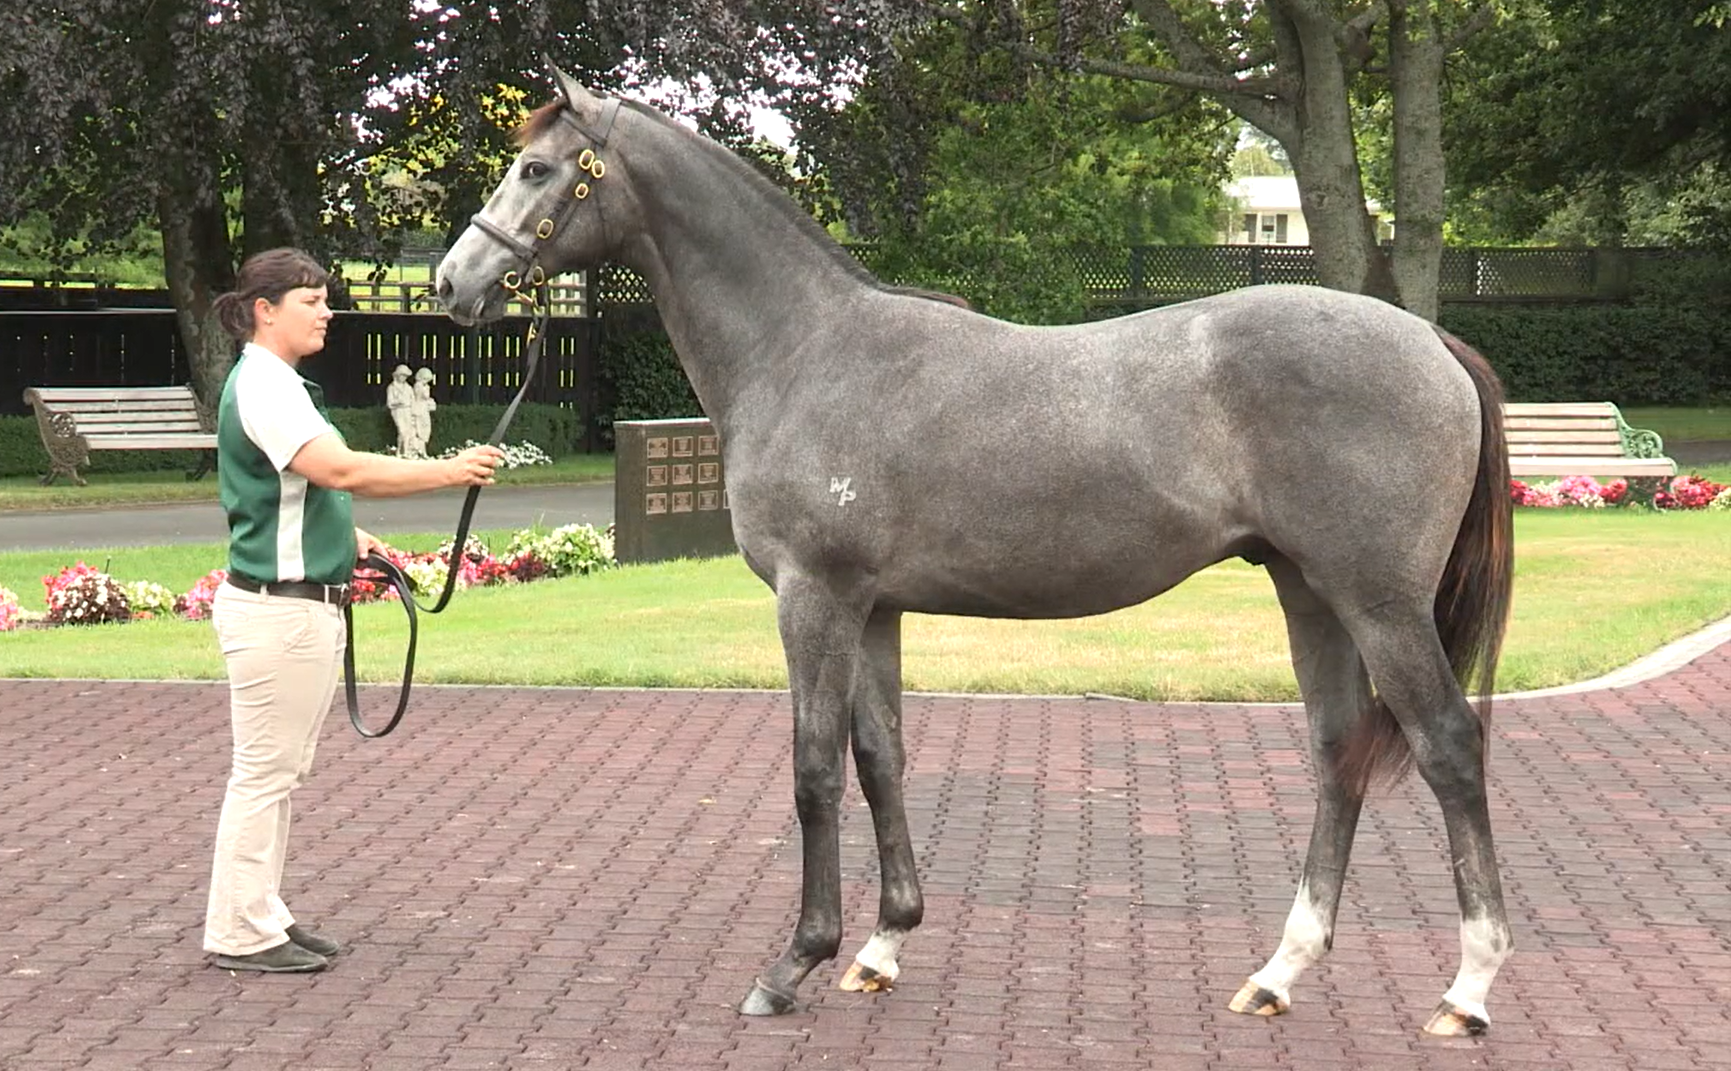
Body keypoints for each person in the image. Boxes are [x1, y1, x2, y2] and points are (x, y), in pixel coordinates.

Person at [204, 248, 503, 973]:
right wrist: (448, 470)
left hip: (289, 609)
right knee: (265, 776)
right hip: (280, 614)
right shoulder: (267, 386)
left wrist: (347, 534)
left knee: (277, 774)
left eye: (324, 299)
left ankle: (260, 914)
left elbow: (299, 489)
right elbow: (337, 469)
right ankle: (241, 931)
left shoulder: (275, 381)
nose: (326, 312)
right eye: (311, 301)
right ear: (265, 310)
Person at [386, 364, 415, 456]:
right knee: (402, 431)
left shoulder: (409, 388)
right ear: (397, 375)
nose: (403, 378)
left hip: (407, 411)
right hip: (398, 411)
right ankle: (400, 450)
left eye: (405, 376)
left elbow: (412, 401)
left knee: (408, 432)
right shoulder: (391, 387)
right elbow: (389, 403)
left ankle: (404, 451)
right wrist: (399, 402)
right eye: (402, 375)